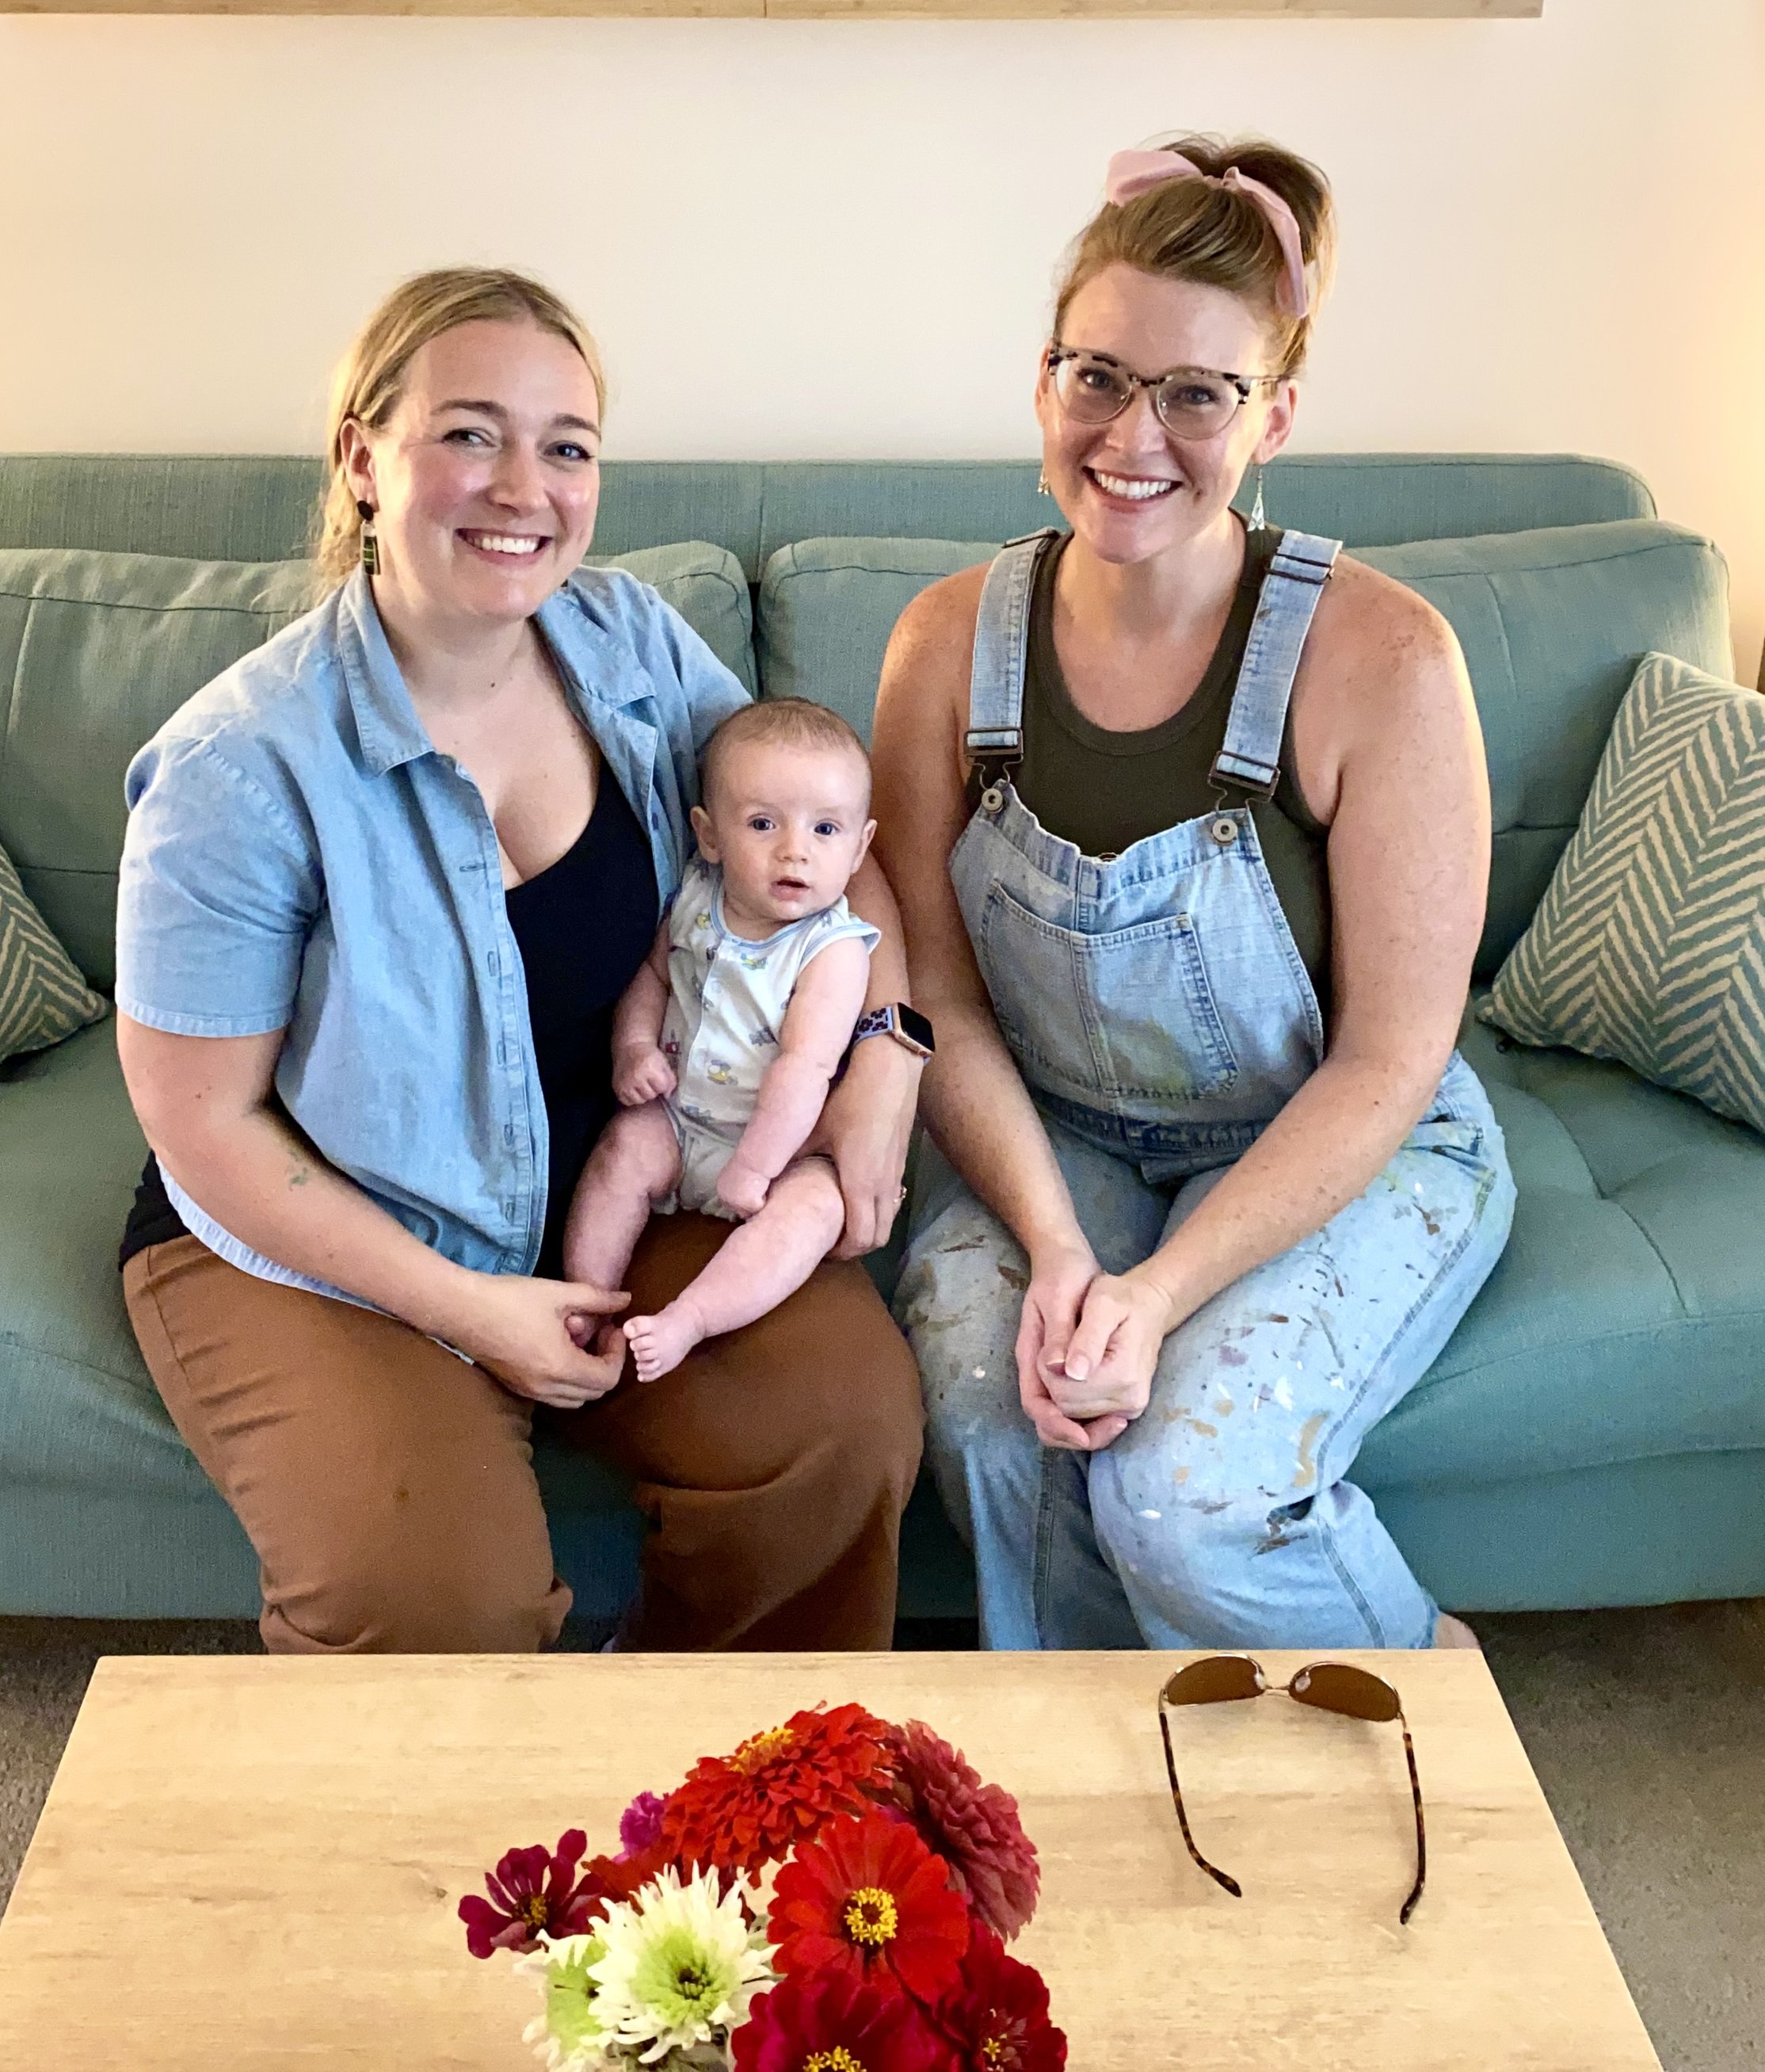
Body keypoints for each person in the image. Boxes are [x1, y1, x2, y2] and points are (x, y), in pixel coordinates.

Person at [114, 269, 925, 1654]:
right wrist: (469, 1307)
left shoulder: (633, 648)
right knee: (433, 1600)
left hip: (617, 1166)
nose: (523, 485)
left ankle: (711, 1775)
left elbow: (837, 853)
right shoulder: (239, 767)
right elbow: (202, 1122)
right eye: (471, 432)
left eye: (566, 444)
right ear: (363, 459)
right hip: (329, 1230)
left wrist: (887, 1061)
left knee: (839, 1423)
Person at [872, 139, 1516, 1654]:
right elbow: (941, 998)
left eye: (1195, 392)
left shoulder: (1389, 660)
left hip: (1338, 1144)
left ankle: (1427, 1709)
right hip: (1058, 1135)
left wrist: (1158, 1292)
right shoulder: (944, 640)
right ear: (1042, 383)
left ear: (1275, 412)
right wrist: (1060, 1248)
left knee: (1179, 1489)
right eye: (1097, 375)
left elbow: (1389, 1057)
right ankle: (1119, 1780)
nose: (1133, 433)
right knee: (989, 1406)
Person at [566, 698, 883, 1384]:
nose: (794, 849)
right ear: (709, 836)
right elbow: (653, 974)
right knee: (623, 1149)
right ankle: (585, 1301)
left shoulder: (834, 950)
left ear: (860, 848)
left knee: (816, 1210)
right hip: (678, 1122)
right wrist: (634, 1049)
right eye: (763, 824)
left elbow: (806, 1065)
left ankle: (693, 1317)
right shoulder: (695, 896)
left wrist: (757, 1168)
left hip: (777, 1151)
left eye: (826, 829)